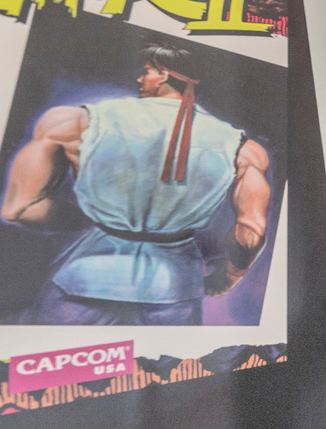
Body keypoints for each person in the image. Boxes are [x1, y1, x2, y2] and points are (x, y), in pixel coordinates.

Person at [0, 43, 270, 325]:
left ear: (164, 74)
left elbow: (19, 208)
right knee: (168, 367)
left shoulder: (74, 122)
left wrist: (88, 221)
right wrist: (230, 275)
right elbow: (251, 231)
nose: (140, 79)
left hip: (85, 281)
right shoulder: (244, 149)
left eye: (146, 71)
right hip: (175, 288)